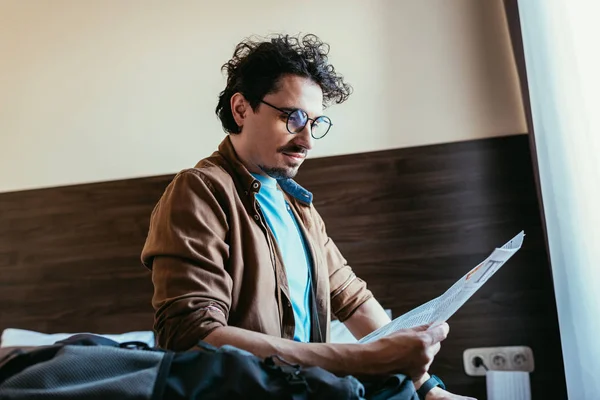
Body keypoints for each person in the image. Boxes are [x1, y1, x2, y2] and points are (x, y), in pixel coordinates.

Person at [141, 33, 473, 400]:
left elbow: (354, 300)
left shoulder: (299, 208)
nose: (307, 141)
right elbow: (192, 337)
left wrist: (425, 387)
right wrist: (359, 359)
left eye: (314, 123)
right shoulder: (200, 191)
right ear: (241, 109)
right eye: (293, 118)